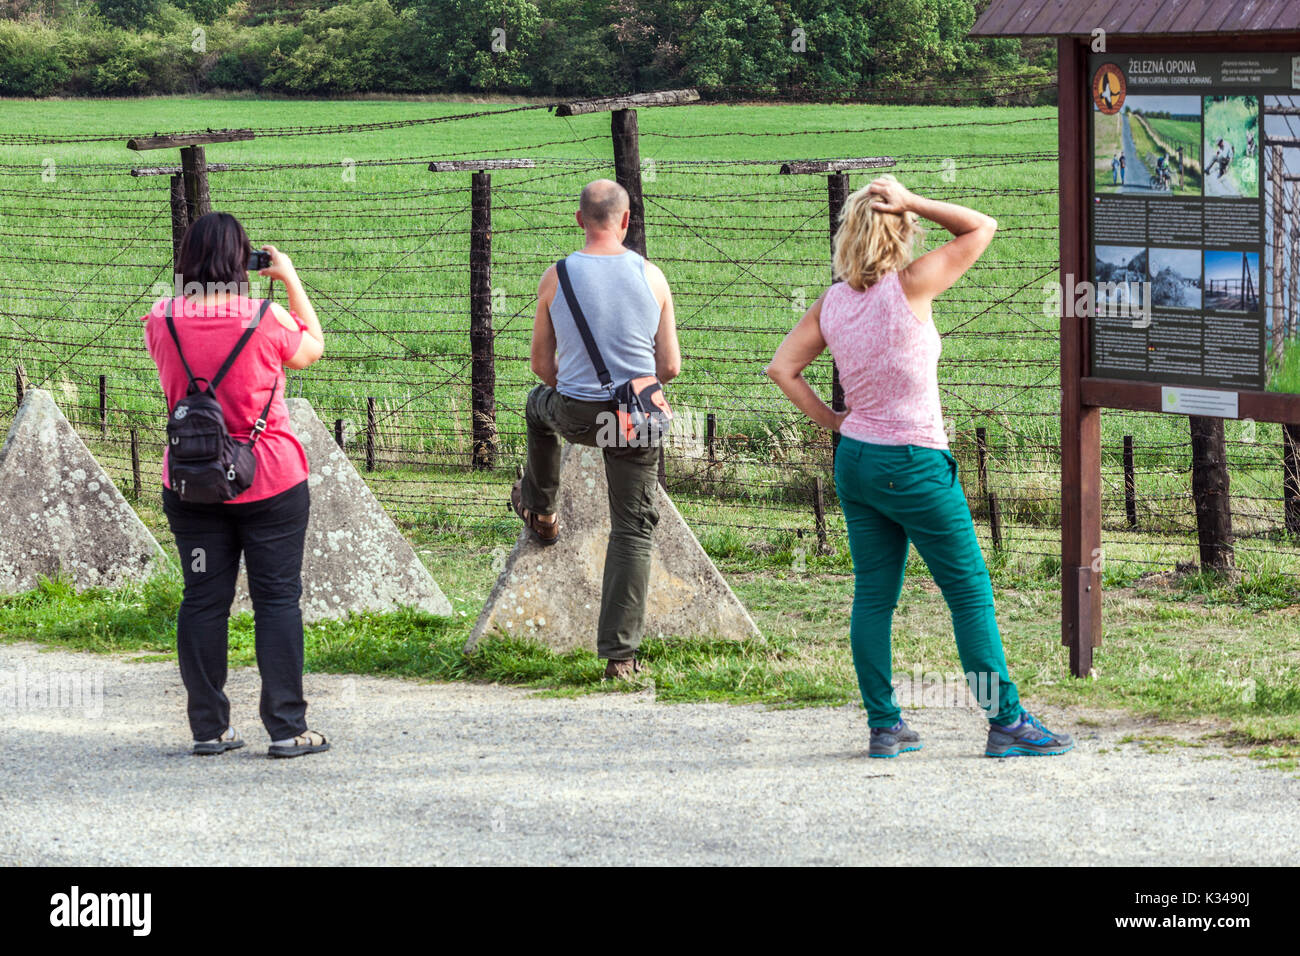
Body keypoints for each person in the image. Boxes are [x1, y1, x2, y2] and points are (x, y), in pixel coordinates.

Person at [765, 176, 1073, 759]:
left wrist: (836, 422)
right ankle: (1006, 722)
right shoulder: (911, 286)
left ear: (847, 236)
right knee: (969, 593)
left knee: (874, 595)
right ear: (900, 230)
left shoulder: (832, 303)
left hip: (856, 461)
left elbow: (782, 369)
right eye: (907, 222)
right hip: (914, 462)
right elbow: (983, 226)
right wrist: (915, 200)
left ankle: (885, 726)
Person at [143, 212, 329, 758]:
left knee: (202, 599)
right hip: (269, 478)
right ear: (240, 261)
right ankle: (287, 728)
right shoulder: (264, 318)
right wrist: (290, 277)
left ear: (187, 261)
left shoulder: (161, 319)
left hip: (192, 484)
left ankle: (208, 728)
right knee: (277, 600)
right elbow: (312, 347)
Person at [515, 180, 681, 680]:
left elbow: (541, 365)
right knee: (632, 529)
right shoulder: (653, 277)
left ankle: (541, 509)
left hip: (576, 413)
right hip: (633, 419)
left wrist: (574, 391)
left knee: (535, 408)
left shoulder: (556, 276)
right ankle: (620, 656)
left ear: (579, 220)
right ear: (627, 221)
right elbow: (669, 366)